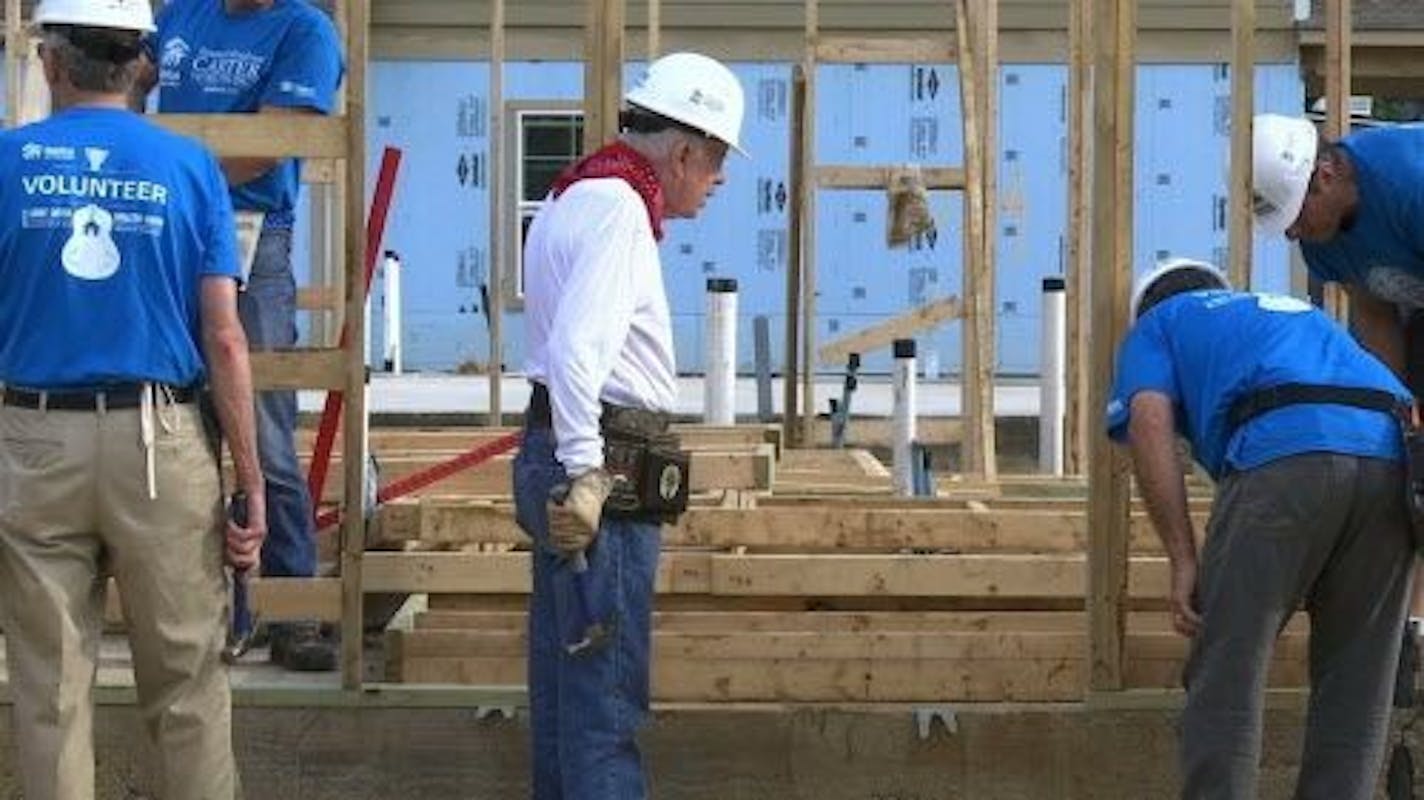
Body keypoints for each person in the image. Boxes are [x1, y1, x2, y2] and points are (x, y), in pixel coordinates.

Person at [0, 0, 265, 797]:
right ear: (141, 64)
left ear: (51, 61)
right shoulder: (187, 169)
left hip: (32, 438)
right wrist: (249, 479)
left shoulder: (7, 163)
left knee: (49, 692)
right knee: (187, 683)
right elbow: (224, 336)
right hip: (160, 440)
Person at [513, 52, 745, 799]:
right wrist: (587, 474)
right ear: (680, 151)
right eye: (713, 163)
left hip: (561, 448)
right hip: (601, 470)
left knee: (565, 698)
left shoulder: (575, 195)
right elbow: (580, 349)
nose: (718, 181)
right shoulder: (617, 209)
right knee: (605, 708)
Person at [1106, 258, 1415, 799]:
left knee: (1227, 667)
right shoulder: (1294, 317)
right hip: (1395, 458)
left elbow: (1148, 420)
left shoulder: (1157, 325)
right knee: (1358, 685)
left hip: (1285, 455)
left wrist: (1183, 558)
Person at [138, 0, 344, 671]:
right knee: (178, 429)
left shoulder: (304, 30)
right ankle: (211, 611)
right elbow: (122, 85)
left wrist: (156, 162)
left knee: (264, 435)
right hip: (169, 227)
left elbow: (264, 145)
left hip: (255, 236)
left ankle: (291, 612)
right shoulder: (180, 17)